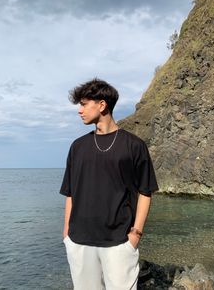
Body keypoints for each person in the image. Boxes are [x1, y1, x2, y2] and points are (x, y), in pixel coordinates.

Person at [60, 78, 158, 290]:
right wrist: (67, 233)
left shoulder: (134, 145)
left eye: (84, 104)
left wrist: (136, 234)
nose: (80, 110)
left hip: (119, 242)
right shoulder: (77, 147)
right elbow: (70, 192)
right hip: (79, 241)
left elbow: (145, 191)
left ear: (102, 105)